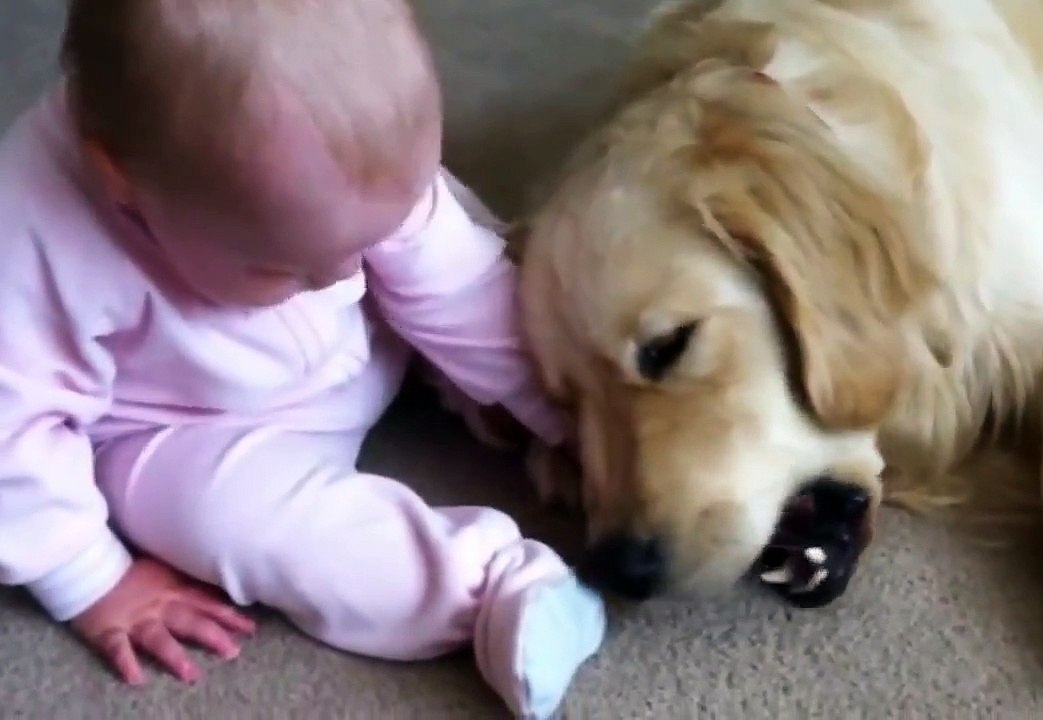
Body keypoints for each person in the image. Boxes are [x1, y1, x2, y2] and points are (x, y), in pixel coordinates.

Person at [0, 1, 605, 718]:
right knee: (226, 519)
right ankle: (488, 588)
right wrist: (90, 578)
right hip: (191, 424)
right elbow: (14, 430)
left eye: (365, 240)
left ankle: (560, 401)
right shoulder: (31, 235)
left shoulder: (348, 196)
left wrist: (574, 416)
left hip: (376, 333)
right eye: (281, 267)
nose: (343, 275)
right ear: (123, 181)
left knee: (461, 260)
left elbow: (460, 290)